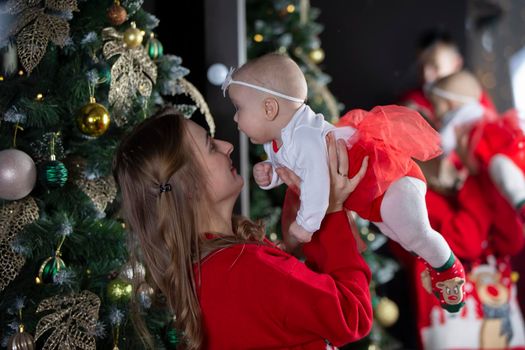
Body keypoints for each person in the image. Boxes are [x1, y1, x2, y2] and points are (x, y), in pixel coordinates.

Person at [222, 52, 466, 312]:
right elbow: (286, 169)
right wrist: (270, 174)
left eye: (239, 109)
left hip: (391, 180)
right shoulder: (279, 140)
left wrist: (304, 225)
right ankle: (434, 263)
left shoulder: (305, 137)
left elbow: (317, 186)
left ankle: (450, 271)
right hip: (372, 197)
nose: (236, 118)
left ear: (269, 108)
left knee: (417, 235)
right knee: (403, 238)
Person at [112, 108, 373, 349]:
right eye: (211, 146)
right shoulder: (247, 267)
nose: (227, 146)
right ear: (188, 187)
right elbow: (353, 314)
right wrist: (330, 213)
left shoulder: (204, 273)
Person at [428, 70, 525, 219]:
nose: (434, 112)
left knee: (500, 167)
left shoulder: (456, 119)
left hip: (488, 150)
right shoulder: (478, 111)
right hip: (493, 152)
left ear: (450, 103)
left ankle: (521, 201)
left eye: (436, 105)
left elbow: (443, 143)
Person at [401, 29, 496, 125]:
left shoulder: (475, 99)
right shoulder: (412, 101)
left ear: (456, 63)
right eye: (421, 67)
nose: (426, 76)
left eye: (435, 67)